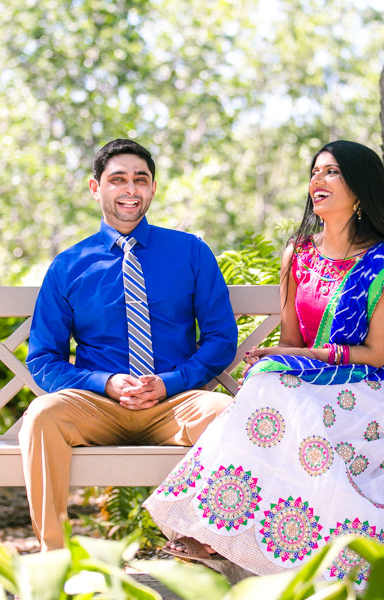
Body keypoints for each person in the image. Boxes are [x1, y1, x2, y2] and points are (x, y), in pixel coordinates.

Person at [143, 141, 384, 587]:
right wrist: (281, 360)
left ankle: (220, 530)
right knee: (270, 388)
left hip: (378, 387)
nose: (317, 181)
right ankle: (229, 529)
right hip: (312, 384)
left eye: (332, 173)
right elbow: (290, 341)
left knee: (280, 396)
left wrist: (298, 359)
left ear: (360, 189)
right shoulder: (299, 254)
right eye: (315, 172)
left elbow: (377, 354)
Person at [21, 139, 238, 551]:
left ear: (153, 188)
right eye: (117, 179)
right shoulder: (69, 265)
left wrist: (171, 382)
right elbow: (44, 358)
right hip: (99, 405)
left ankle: (203, 544)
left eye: (140, 180)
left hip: (174, 404)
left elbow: (220, 338)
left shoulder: (190, 252)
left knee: (226, 414)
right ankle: (55, 557)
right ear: (95, 187)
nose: (130, 190)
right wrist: (106, 383)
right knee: (42, 416)